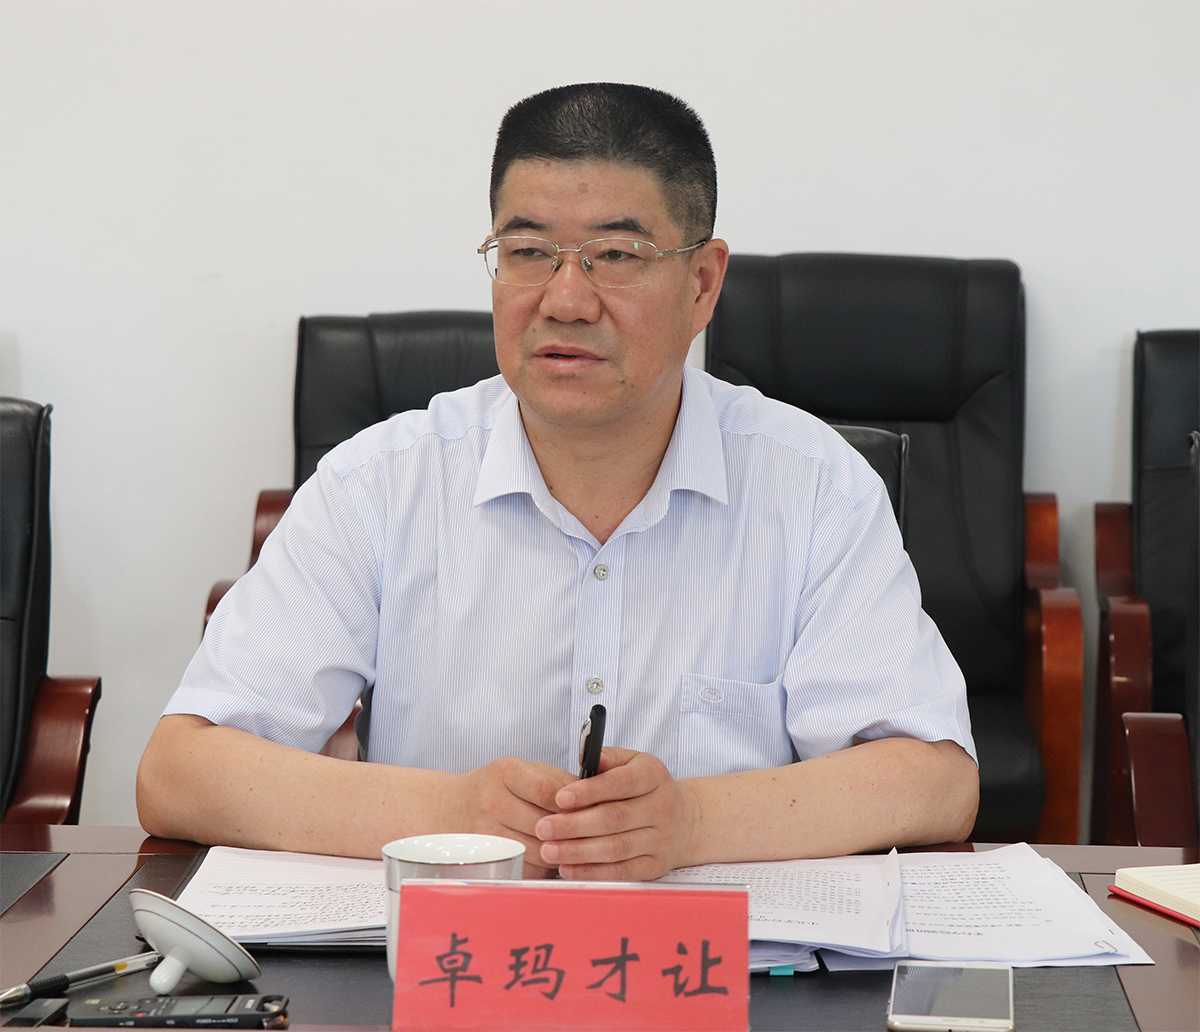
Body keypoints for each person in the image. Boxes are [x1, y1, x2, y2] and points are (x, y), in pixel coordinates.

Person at [138, 83, 978, 880]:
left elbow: (935, 780)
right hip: (449, 962)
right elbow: (179, 773)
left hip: (717, 967)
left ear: (702, 283)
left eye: (616, 254)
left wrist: (690, 822)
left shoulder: (815, 486)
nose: (565, 300)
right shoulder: (381, 484)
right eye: (528, 253)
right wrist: (451, 812)